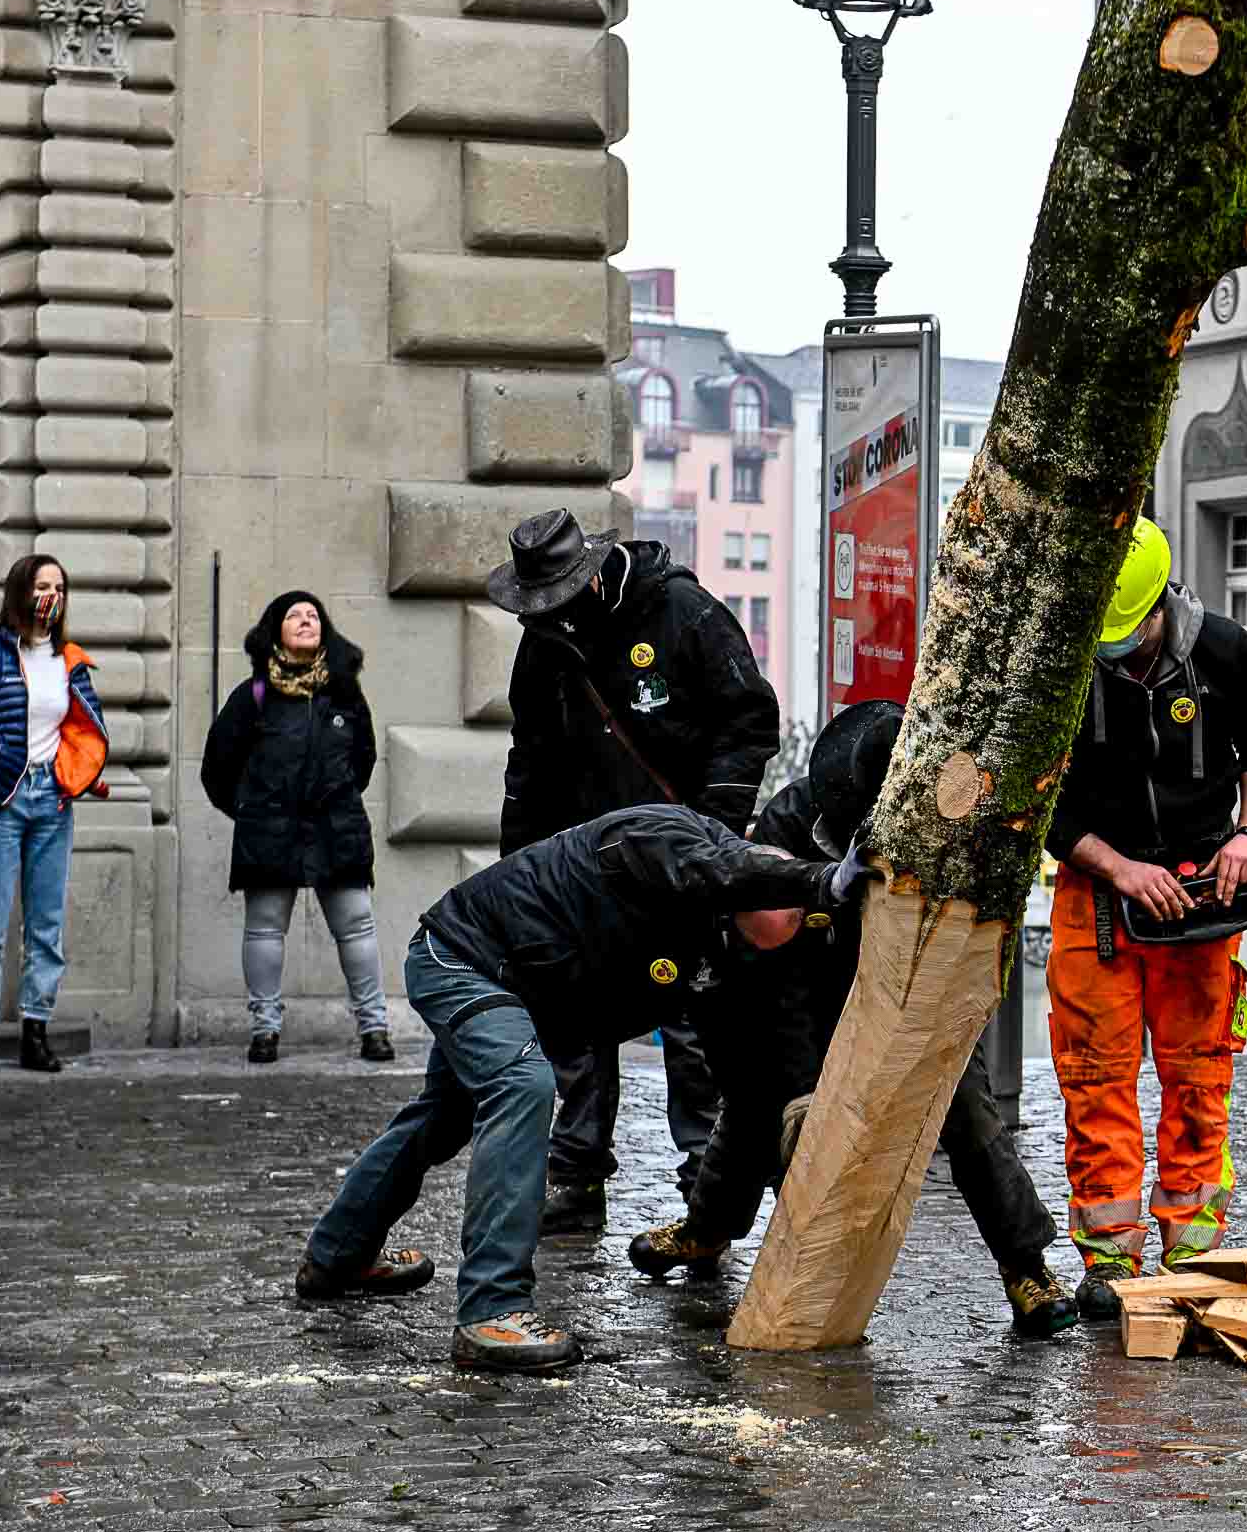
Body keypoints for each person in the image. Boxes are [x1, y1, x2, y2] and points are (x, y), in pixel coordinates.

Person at [294, 803, 869, 1371]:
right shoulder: (665, 837)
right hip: (465, 958)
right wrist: (824, 880)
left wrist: (755, 1196)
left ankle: (338, 1256)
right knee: (521, 1086)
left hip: (525, 992)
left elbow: (746, 1086)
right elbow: (719, 872)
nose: (742, 947)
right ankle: (491, 1312)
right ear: (742, 881)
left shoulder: (724, 946)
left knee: (440, 1120)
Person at [627, 700, 1078, 1337]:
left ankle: (1026, 1267)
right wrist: (801, 1100)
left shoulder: (949, 829)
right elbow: (767, 969)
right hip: (806, 980)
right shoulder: (790, 821)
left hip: (921, 987)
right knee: (761, 1099)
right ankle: (706, 1230)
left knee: (966, 1107)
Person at [487, 509, 780, 1237]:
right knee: (574, 1017)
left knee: (691, 1019)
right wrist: (520, 864)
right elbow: (530, 759)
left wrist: (711, 828)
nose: (544, 614)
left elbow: (748, 718)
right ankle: (576, 1171)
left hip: (681, 856)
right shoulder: (543, 646)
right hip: (581, 865)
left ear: (588, 578)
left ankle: (702, 1183)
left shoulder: (682, 611)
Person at [1043, 518, 1247, 1319]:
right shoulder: (1064, 668)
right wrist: (1118, 867)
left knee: (1198, 1073)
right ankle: (1110, 1259)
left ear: (1161, 609)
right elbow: (1039, 802)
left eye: (1131, 638)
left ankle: (1193, 1249)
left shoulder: (1225, 653)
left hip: (1201, 895)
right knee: (1094, 1078)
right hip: (1097, 897)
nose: (1119, 652)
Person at [0, 555, 107, 1074]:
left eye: (59, 587)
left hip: (52, 799)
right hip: (0, 799)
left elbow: (84, 726)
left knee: (46, 924)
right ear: (20, 593)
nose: (51, 595)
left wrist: (82, 770)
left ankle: (36, 1031)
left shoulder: (69, 659)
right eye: (41, 585)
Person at [200, 592, 390, 1065]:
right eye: (294, 616)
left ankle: (375, 1029)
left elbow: (362, 763)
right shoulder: (254, 696)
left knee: (357, 926)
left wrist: (337, 795)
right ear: (275, 631)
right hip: (269, 828)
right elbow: (218, 767)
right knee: (264, 930)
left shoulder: (347, 695)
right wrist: (249, 811)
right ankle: (264, 1030)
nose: (306, 621)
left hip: (336, 826)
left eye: (313, 615)